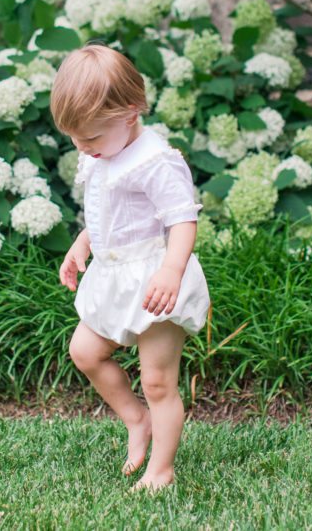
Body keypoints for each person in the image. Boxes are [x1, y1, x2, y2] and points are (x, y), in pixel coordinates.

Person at [49, 43, 211, 492]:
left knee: (158, 381)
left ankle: (162, 469)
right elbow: (107, 210)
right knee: (84, 352)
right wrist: (82, 243)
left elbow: (182, 219)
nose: (85, 149)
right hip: (114, 276)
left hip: (155, 280)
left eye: (91, 139)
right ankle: (136, 420)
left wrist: (172, 271)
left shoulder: (156, 161)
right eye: (76, 140)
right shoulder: (103, 149)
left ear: (131, 111)